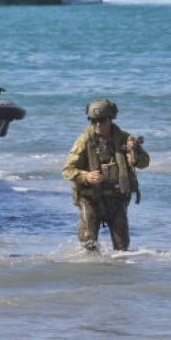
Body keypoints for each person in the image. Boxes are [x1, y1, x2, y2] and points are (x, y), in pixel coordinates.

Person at [61, 98, 149, 251]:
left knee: (122, 248)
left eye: (102, 121)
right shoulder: (84, 141)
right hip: (90, 198)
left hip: (116, 198)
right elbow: (67, 170)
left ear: (110, 119)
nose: (98, 125)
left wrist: (135, 159)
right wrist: (86, 176)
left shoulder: (125, 139)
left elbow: (145, 162)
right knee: (88, 245)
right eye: (93, 121)